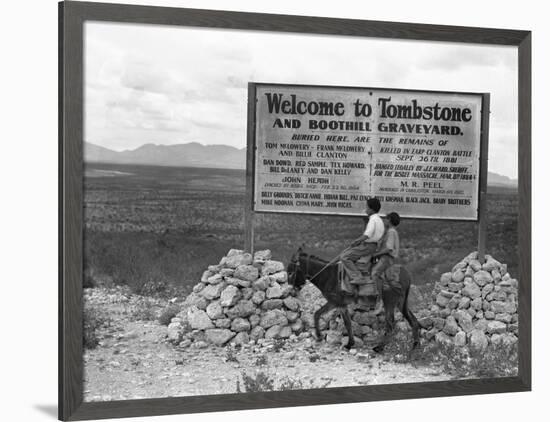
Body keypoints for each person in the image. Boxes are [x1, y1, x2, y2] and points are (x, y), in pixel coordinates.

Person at [340, 197, 385, 284]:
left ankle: (358, 277)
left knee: (344, 256)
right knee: (347, 254)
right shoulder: (379, 220)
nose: (366, 209)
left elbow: (367, 235)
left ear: (371, 209)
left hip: (368, 246)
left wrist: (356, 241)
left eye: (367, 207)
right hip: (373, 245)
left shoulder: (373, 219)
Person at [371, 212, 400, 314]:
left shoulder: (391, 232)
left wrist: (376, 255)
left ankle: (378, 301)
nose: (384, 221)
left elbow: (388, 248)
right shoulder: (390, 231)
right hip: (385, 257)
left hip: (387, 258)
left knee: (374, 273)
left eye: (386, 219)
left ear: (390, 220)